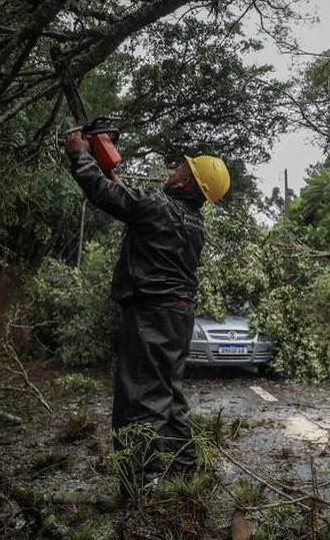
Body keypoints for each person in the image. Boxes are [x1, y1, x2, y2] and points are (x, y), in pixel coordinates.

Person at [63, 130, 230, 484]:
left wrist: (80, 154)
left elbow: (109, 197)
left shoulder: (158, 207)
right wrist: (106, 162)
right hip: (177, 315)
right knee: (168, 395)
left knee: (139, 402)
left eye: (179, 169)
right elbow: (129, 202)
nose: (173, 171)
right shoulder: (193, 221)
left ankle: (141, 486)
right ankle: (184, 475)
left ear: (186, 184)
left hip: (150, 315)